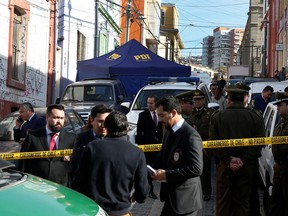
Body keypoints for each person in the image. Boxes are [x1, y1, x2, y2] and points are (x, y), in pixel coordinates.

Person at [72, 111, 149, 216]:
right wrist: (138, 197)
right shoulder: (136, 152)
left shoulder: (92, 147)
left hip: (93, 210)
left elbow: (79, 180)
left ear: (106, 128)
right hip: (121, 211)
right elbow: (142, 189)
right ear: (127, 128)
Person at [209, 85, 265, 216]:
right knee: (242, 203)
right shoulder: (255, 117)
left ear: (228, 99)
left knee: (223, 202)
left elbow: (213, 143)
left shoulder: (218, 117)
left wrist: (228, 160)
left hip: (225, 167)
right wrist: (243, 160)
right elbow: (259, 143)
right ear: (244, 99)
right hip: (247, 167)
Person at [151, 96, 203, 216]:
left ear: (173, 112)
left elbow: (196, 168)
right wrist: (148, 170)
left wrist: (166, 175)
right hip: (171, 197)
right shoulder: (168, 132)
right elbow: (162, 158)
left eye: (162, 115)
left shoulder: (190, 135)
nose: (160, 120)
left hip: (185, 201)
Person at [18, 104, 76, 186]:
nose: (59, 121)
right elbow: (22, 161)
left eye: (62, 118)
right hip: (36, 185)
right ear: (47, 117)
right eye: (55, 118)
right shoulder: (33, 136)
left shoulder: (71, 138)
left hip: (61, 188)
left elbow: (74, 166)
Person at [187, 90, 215, 202]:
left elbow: (213, 130)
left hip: (205, 146)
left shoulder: (210, 112)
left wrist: (208, 144)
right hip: (192, 146)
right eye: (195, 100)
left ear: (203, 100)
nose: (197, 102)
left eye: (199, 100)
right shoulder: (190, 112)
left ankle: (207, 192)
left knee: (205, 170)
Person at [70, 104, 112, 177]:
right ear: (92, 120)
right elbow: (76, 164)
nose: (104, 125)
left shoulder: (115, 139)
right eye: (100, 121)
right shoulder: (81, 138)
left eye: (107, 121)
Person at [136, 95, 163, 199]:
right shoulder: (143, 115)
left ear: (156, 103)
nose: (149, 105)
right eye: (148, 103)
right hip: (147, 148)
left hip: (160, 147)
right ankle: (150, 190)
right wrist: (140, 147)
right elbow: (139, 132)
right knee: (149, 169)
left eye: (151, 103)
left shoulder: (161, 114)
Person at [269, 92, 288, 216]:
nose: (277, 108)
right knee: (276, 200)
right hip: (279, 167)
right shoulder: (282, 122)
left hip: (286, 167)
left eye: (280, 105)